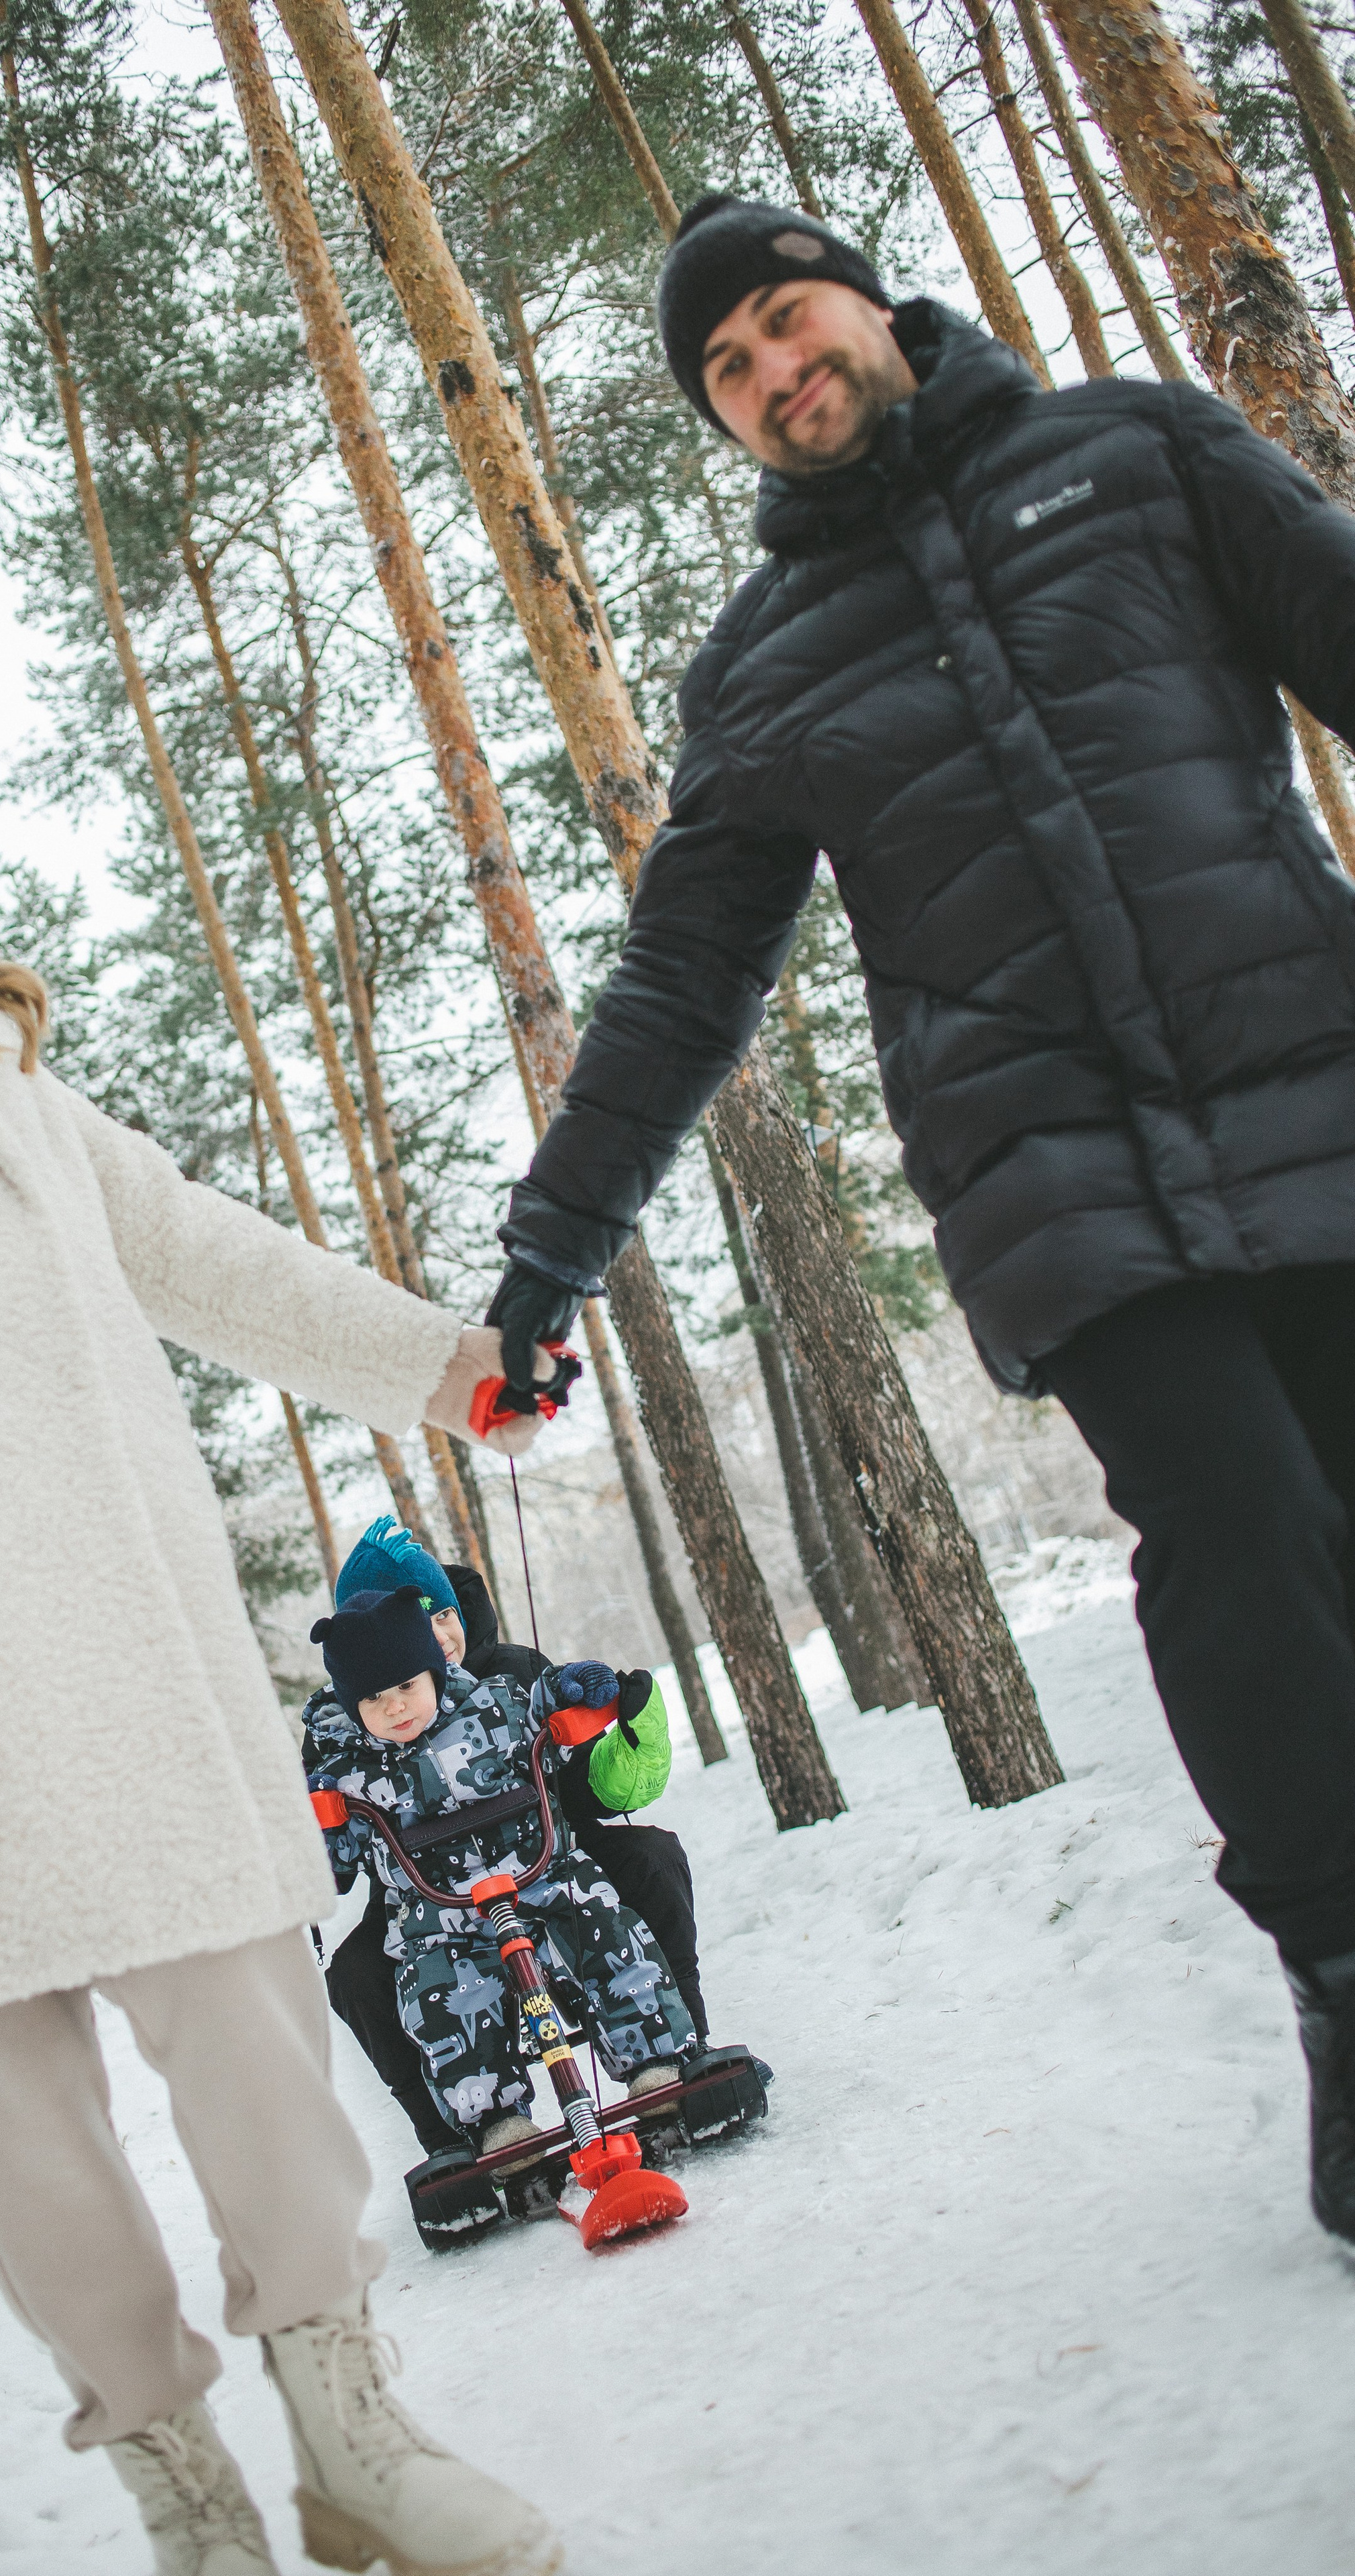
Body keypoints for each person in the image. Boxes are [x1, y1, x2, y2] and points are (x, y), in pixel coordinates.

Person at [0, 575, 567, 2576]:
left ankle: (351, 2436)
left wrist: (439, 1362)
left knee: (247, 2015)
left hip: (94, 1595)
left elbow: (186, 1239)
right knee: (14, 2109)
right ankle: (190, 2499)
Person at [482, 193, 1355, 2248]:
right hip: (1052, 1180)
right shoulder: (763, 673)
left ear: (873, 304)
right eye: (730, 372)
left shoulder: (1132, 456)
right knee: (1234, 1535)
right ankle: (1339, 1977)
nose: (778, 374)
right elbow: (679, 986)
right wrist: (551, 1252)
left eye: (789, 324)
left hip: (1310, 1085)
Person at [309, 1522, 708, 2153]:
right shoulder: (347, 1728)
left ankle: (679, 2062)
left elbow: (577, 1787)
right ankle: (462, 2139)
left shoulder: (512, 1678)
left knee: (643, 1867)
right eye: (420, 1620)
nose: (439, 1636)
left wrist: (618, 1724)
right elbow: (332, 1840)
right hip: (426, 1892)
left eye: (444, 1613)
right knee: (363, 1974)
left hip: (541, 1854)